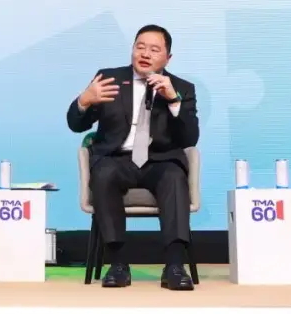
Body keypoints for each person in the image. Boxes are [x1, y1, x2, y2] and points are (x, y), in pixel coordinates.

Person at [67, 24, 199, 290]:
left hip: (160, 161)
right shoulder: (109, 79)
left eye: (154, 49)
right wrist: (84, 101)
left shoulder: (181, 88)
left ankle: (174, 266)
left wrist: (173, 101)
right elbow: (76, 124)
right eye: (140, 47)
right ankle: (117, 264)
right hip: (117, 159)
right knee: (103, 174)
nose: (145, 54)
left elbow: (189, 139)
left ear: (168, 58)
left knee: (174, 176)